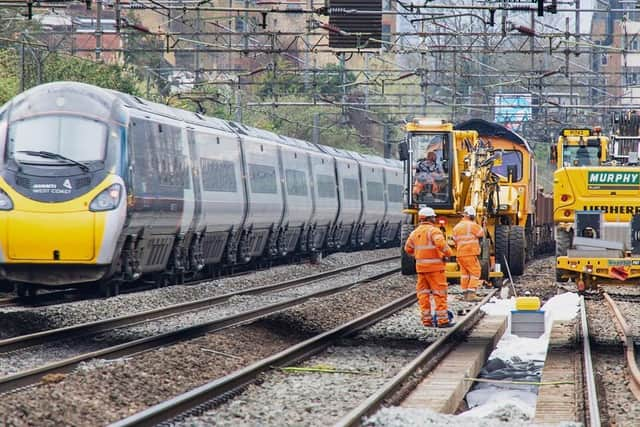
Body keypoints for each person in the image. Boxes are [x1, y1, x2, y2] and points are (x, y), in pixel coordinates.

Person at [404, 207, 454, 328]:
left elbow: (407, 249)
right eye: (434, 217)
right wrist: (448, 254)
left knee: (423, 295)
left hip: (421, 269)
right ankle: (443, 321)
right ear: (431, 218)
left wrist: (418, 256)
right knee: (439, 294)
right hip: (435, 269)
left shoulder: (414, 233)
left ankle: (427, 321)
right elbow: (441, 244)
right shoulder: (434, 231)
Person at [452, 206, 485, 302]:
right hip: (470, 253)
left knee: (465, 274)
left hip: (460, 254)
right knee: (475, 272)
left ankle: (465, 294)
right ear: (472, 216)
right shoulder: (472, 225)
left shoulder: (457, 227)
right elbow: (481, 233)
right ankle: (471, 294)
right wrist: (482, 224)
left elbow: (454, 240)